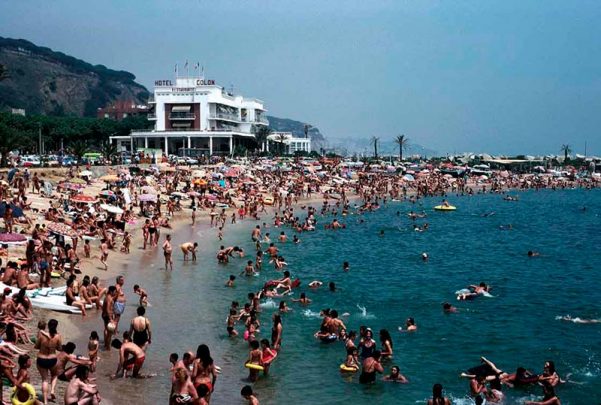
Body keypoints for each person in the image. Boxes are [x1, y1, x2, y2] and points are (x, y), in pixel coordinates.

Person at [35, 318, 61, 404]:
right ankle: (52, 390)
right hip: (52, 359)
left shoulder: (42, 335)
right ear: (56, 326)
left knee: (45, 380)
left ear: (48, 326)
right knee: (55, 375)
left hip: (41, 359)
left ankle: (45, 401)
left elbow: (36, 346)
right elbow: (59, 348)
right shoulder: (58, 336)